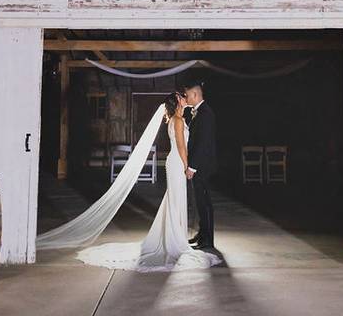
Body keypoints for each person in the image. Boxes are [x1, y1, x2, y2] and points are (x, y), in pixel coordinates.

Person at [38, 91, 221, 272]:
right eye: (181, 97)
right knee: (176, 200)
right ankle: (175, 240)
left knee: (174, 200)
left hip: (173, 162)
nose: (184, 97)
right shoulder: (179, 121)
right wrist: (188, 167)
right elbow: (182, 147)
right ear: (178, 103)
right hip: (178, 163)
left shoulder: (174, 120)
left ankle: (174, 236)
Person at [183, 82, 217, 249]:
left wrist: (192, 166)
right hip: (201, 165)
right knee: (200, 201)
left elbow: (203, 143)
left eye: (188, 95)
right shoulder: (199, 112)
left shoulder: (205, 113)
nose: (186, 98)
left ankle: (208, 240)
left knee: (204, 202)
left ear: (195, 95)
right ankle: (202, 234)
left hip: (203, 166)